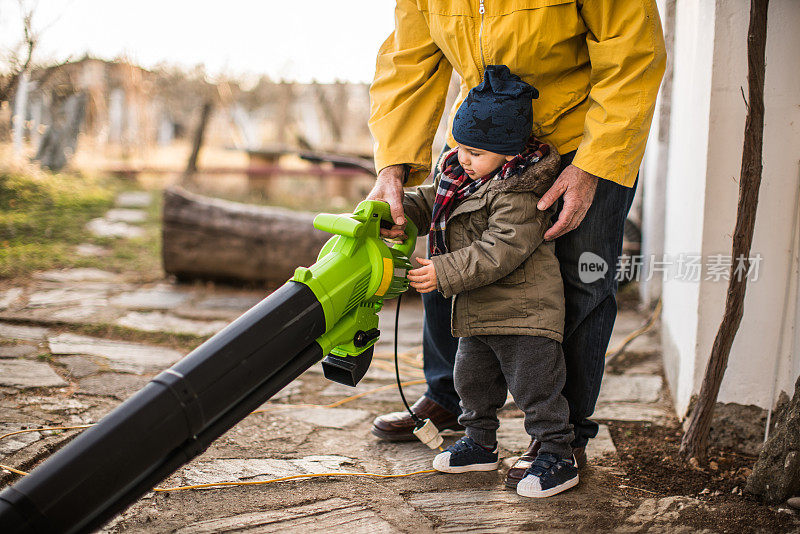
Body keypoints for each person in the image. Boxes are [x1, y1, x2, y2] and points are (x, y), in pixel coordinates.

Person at [366, 1, 666, 488]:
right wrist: (393, 167)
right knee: (449, 243)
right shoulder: (464, 156)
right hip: (482, 135)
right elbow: (408, 58)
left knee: (579, 283)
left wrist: (593, 164)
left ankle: (561, 439)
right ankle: (454, 401)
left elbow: (632, 53)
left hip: (580, 138)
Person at [399, 65, 578, 498]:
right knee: (471, 383)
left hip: (523, 312)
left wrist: (443, 271)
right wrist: (398, 210)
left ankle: (557, 452)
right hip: (478, 310)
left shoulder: (522, 193)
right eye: (461, 147)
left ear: (509, 152)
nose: (463, 158)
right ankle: (479, 442)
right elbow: (432, 204)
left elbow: (501, 249)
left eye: (476, 152)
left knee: (536, 387)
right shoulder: (463, 176)